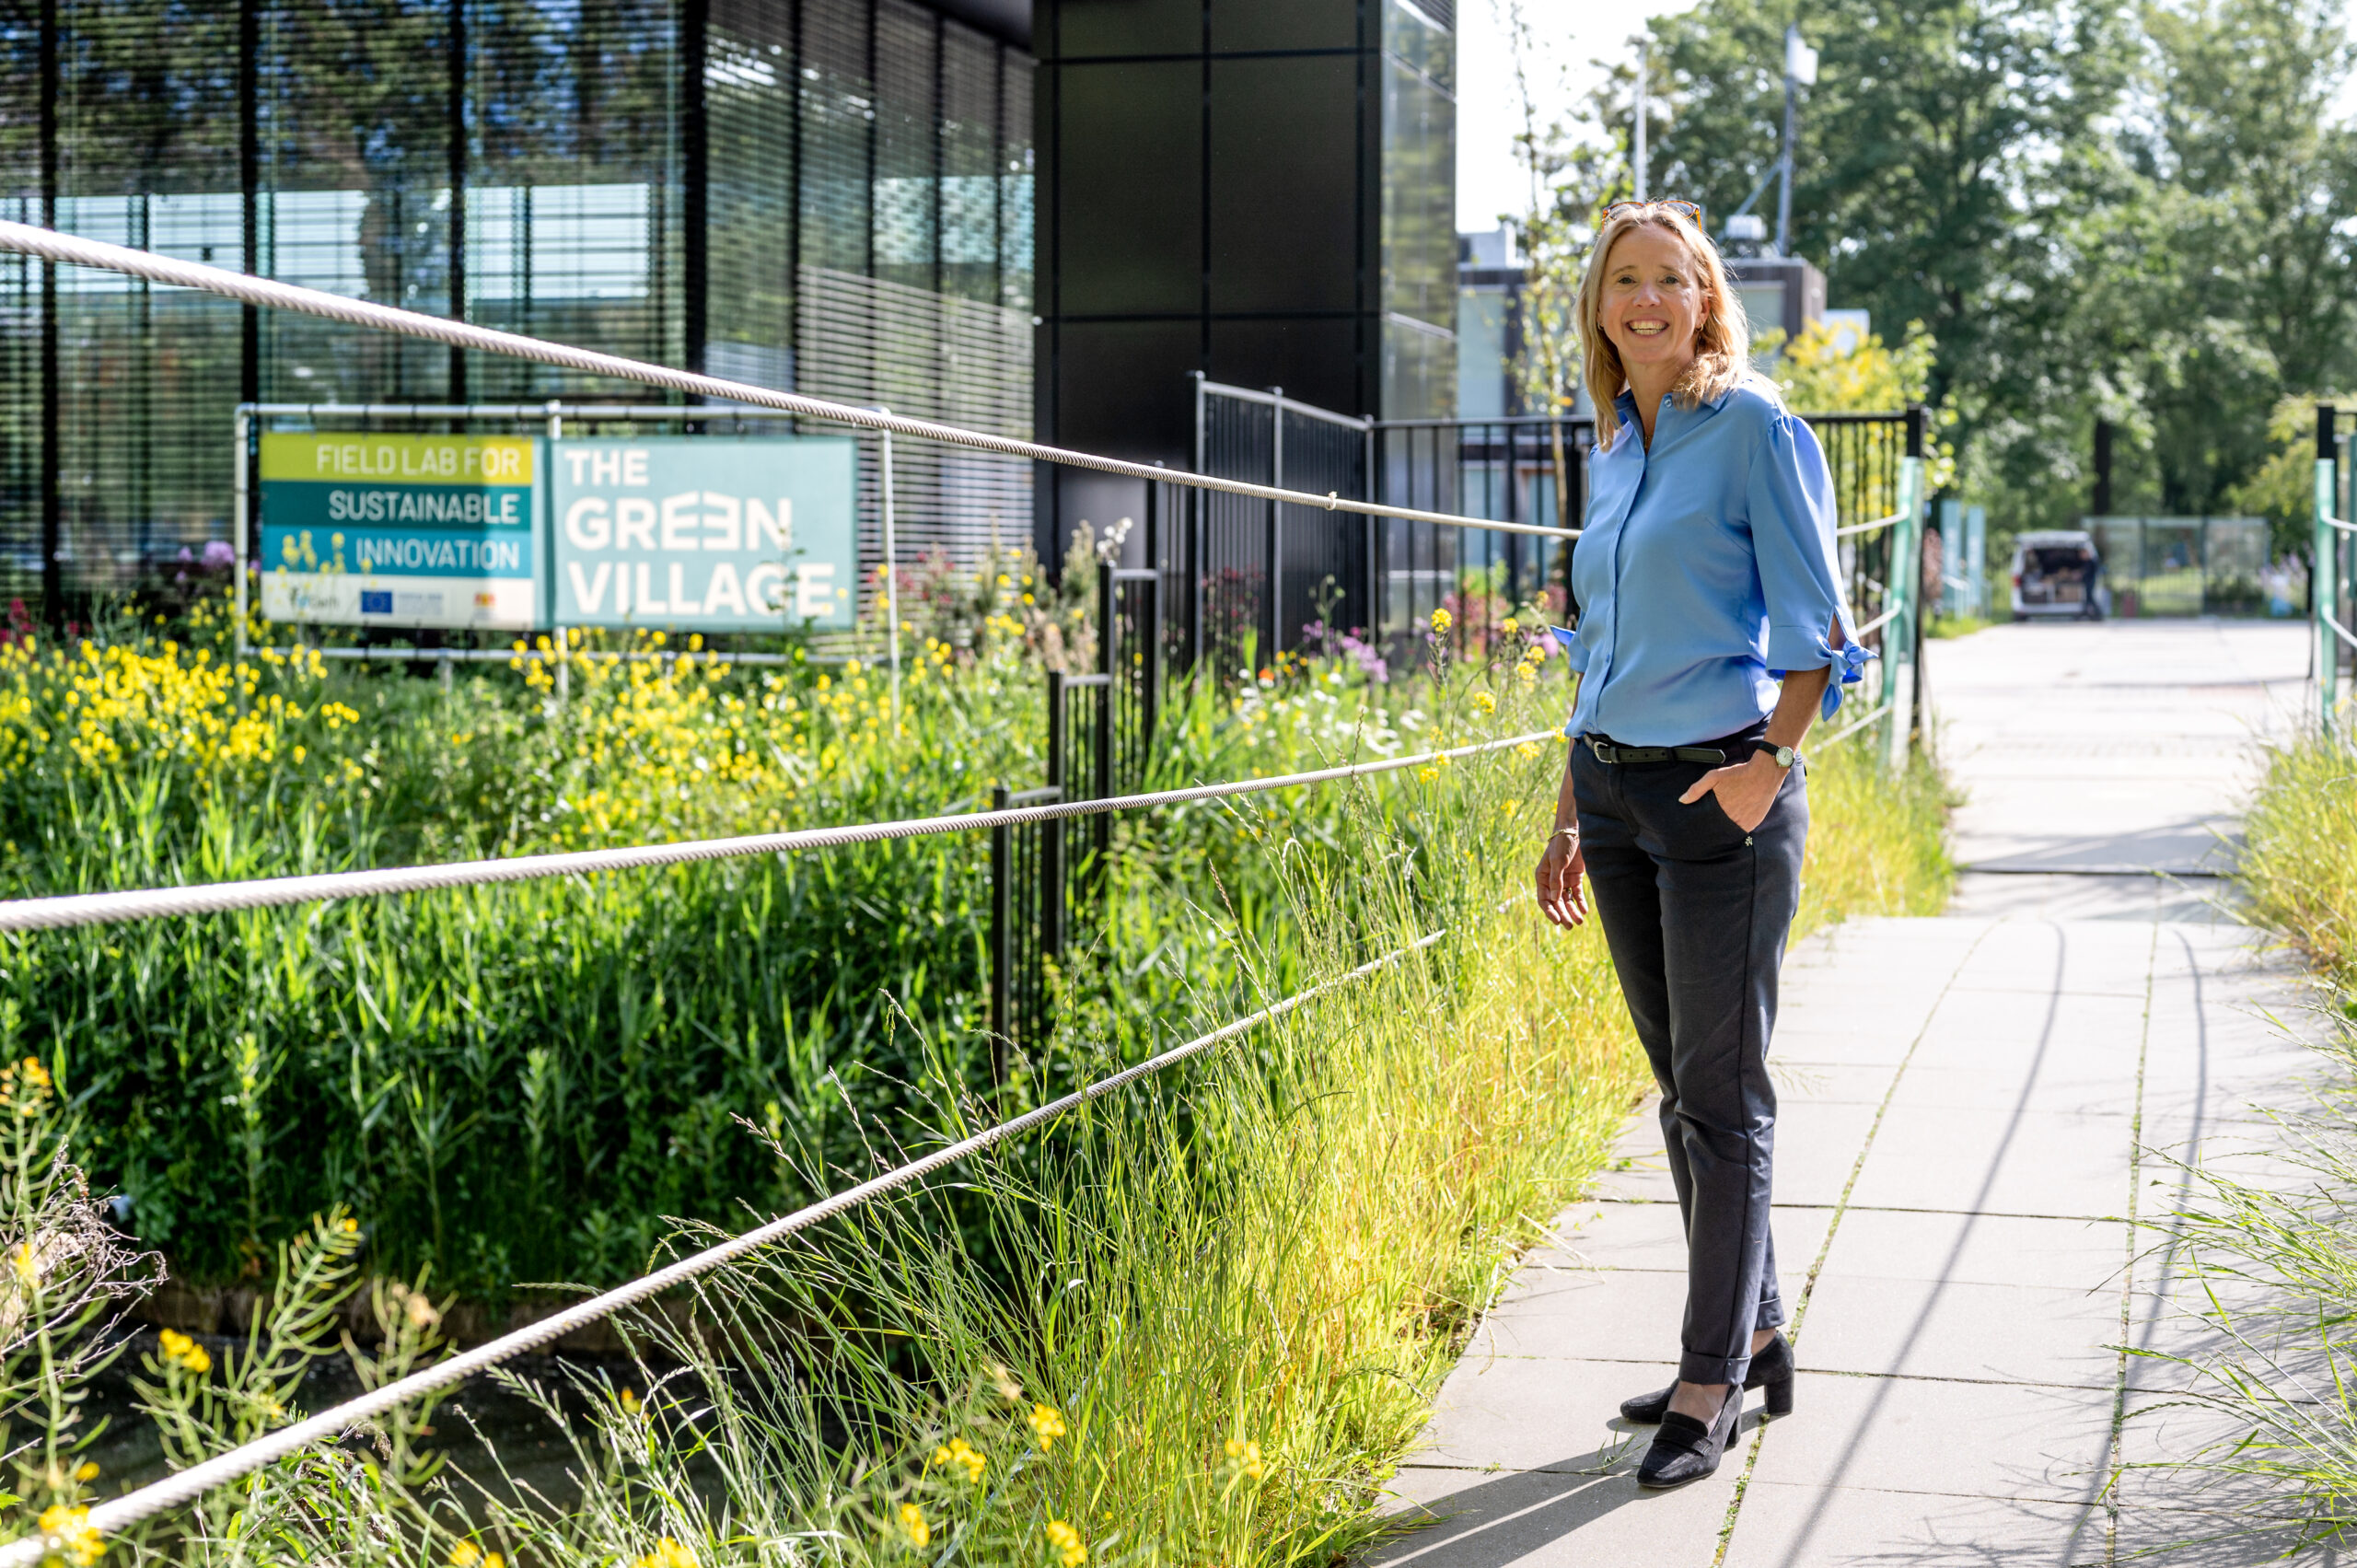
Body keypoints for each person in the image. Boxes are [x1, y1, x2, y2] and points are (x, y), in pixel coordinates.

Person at [1531, 199, 1867, 1491]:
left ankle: (1709, 1382)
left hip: (1719, 803)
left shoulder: (1755, 428)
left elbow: (1820, 627)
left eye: (1672, 279)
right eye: (1626, 281)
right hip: (1614, 799)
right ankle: (1760, 1334)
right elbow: (1597, 650)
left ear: (1707, 297)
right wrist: (1570, 811)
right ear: (1602, 306)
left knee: (1724, 1102)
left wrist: (1766, 764)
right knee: (1683, 1091)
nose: (1648, 301)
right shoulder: (1616, 443)